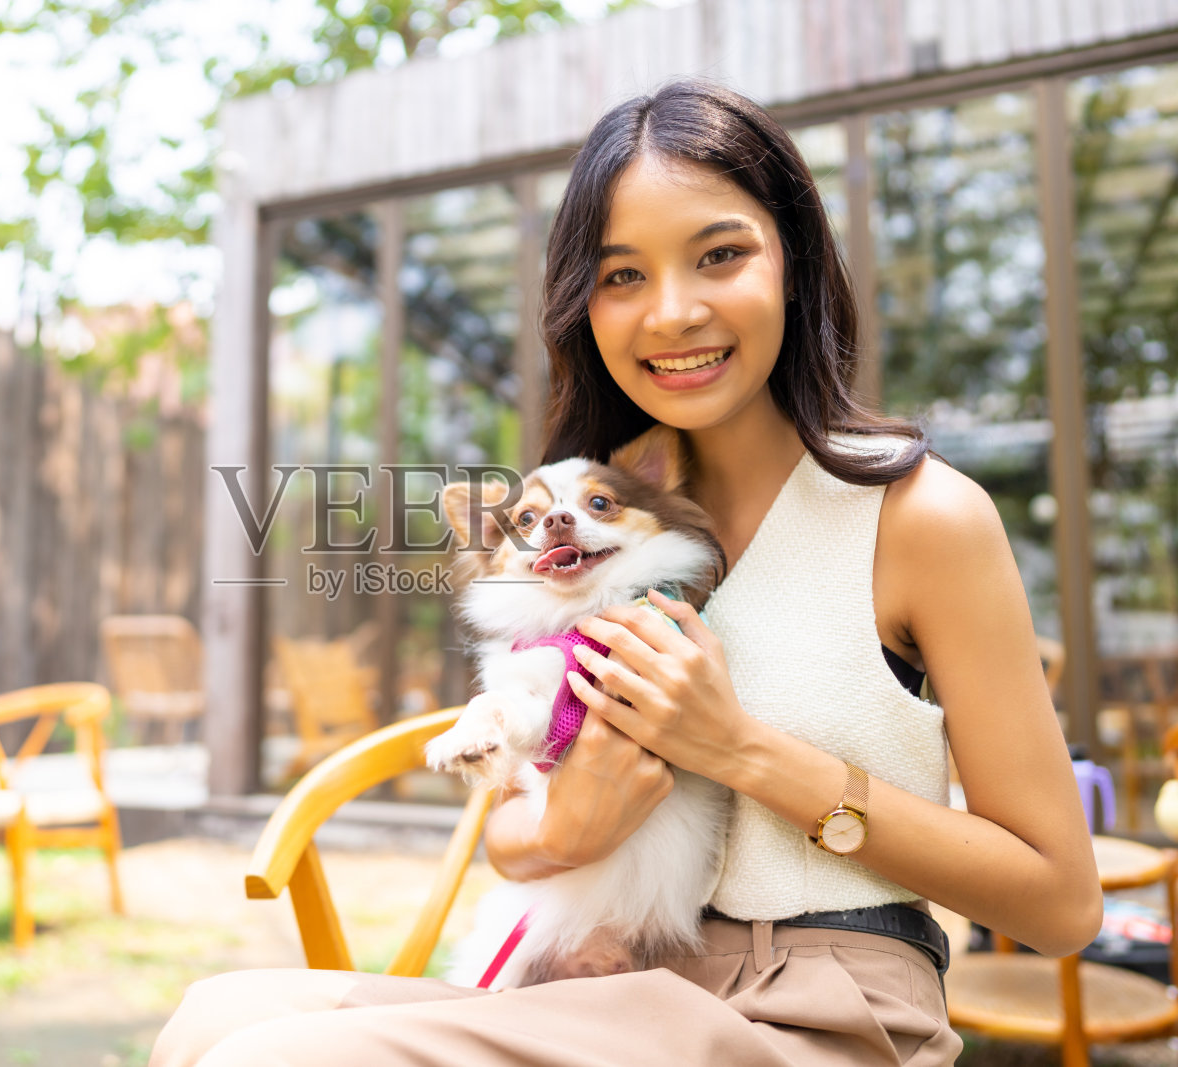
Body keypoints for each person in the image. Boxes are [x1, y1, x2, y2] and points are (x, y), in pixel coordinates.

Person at [151, 79, 1102, 1067]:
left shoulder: (919, 518)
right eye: (620, 275)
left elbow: (1061, 901)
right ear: (581, 305)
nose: (673, 312)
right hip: (599, 970)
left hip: (815, 1003)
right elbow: (512, 837)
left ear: (794, 262)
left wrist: (740, 751)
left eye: (719, 254)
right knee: (211, 1018)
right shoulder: (582, 526)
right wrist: (568, 815)